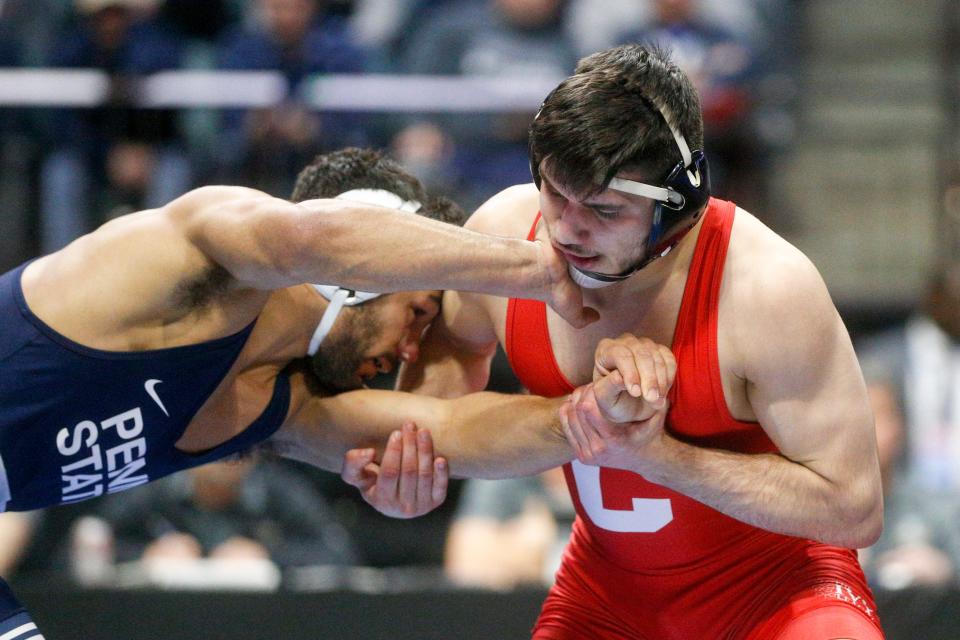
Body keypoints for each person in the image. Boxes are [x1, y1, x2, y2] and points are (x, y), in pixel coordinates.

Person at [345, 44, 885, 639]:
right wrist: (412, 465)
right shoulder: (505, 234)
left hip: (777, 592)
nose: (568, 229)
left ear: (679, 202)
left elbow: (852, 508)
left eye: (604, 209)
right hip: (607, 597)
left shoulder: (763, 288)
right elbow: (450, 365)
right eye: (555, 192)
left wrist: (659, 457)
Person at [0, 145, 601, 636]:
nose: (411, 351)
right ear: (367, 276)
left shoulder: (276, 405)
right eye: (417, 311)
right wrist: (540, 269)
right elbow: (308, 237)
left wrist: (596, 419)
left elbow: (449, 434)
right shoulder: (192, 253)